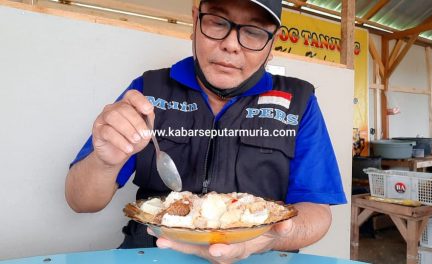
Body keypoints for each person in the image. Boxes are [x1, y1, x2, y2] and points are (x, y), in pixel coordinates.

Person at [66, 0, 347, 262]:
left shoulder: (298, 102)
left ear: (272, 43)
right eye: (218, 21)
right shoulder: (147, 91)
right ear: (195, 21)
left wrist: (267, 238)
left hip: (261, 255)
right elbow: (81, 202)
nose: (231, 45)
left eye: (253, 32)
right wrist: (104, 163)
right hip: (154, 251)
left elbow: (317, 211)